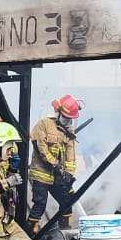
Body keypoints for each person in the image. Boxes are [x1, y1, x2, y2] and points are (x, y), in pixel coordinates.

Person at [28, 95, 82, 225]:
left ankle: (63, 230)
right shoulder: (44, 124)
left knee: (67, 201)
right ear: (57, 112)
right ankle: (31, 233)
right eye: (65, 117)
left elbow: (70, 154)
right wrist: (55, 164)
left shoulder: (69, 131)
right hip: (41, 174)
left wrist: (69, 173)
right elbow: (41, 148)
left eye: (70, 119)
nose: (68, 121)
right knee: (40, 204)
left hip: (58, 175)